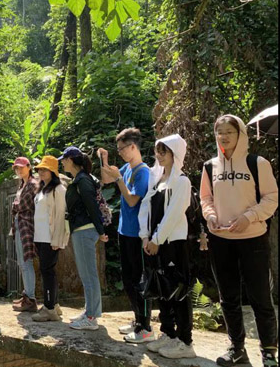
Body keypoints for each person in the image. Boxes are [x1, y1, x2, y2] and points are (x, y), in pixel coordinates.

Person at [200, 114, 278, 367]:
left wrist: (249, 217)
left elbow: (271, 198)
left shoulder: (257, 163)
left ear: (240, 134)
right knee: (228, 297)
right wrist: (210, 216)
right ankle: (237, 349)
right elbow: (206, 198)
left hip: (253, 239)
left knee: (260, 297)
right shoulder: (210, 166)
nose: (223, 136)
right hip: (221, 239)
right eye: (219, 132)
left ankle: (269, 353)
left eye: (229, 132)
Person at [138, 135, 196, 359]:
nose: (159, 156)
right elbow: (146, 208)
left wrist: (157, 239)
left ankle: (185, 341)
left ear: (175, 153)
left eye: (164, 151)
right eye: (158, 151)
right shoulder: (157, 180)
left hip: (172, 243)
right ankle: (168, 333)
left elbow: (174, 214)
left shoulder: (181, 181)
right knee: (161, 289)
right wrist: (145, 236)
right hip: (154, 243)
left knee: (178, 290)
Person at [99, 128, 153, 342]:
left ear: (133, 147)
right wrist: (104, 160)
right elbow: (106, 179)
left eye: (122, 148)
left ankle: (145, 327)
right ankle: (137, 319)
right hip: (125, 231)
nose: (120, 152)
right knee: (128, 280)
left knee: (140, 280)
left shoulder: (143, 172)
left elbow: (132, 200)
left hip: (138, 234)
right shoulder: (127, 168)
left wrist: (119, 179)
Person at [60, 147, 108, 330]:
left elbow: (92, 206)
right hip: (81, 230)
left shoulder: (83, 180)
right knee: (86, 274)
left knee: (89, 275)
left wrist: (101, 230)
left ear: (71, 160)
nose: (62, 163)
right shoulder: (79, 179)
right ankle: (90, 311)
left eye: (64, 159)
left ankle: (91, 317)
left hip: (85, 230)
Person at [30, 155, 68, 322]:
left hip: (50, 237)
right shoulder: (42, 189)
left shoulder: (58, 190)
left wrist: (57, 239)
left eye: (45, 169)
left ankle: (49, 308)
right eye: (40, 169)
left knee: (47, 271)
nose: (41, 172)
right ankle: (54, 304)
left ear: (53, 171)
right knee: (47, 270)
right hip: (40, 236)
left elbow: (60, 215)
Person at [10, 156, 39, 313]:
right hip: (19, 225)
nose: (19, 170)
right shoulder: (22, 185)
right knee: (22, 263)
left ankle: (31, 299)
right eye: (16, 168)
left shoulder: (33, 184)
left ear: (29, 167)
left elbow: (22, 205)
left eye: (21, 167)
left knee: (26, 263)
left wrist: (15, 206)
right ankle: (27, 295)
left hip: (26, 226)